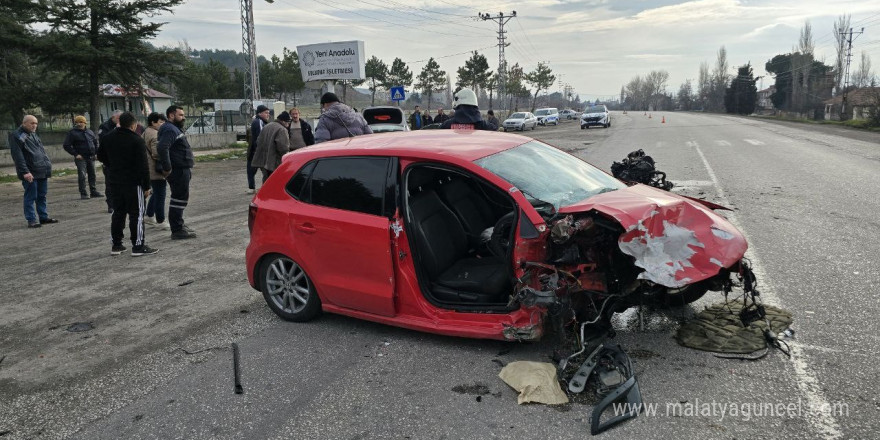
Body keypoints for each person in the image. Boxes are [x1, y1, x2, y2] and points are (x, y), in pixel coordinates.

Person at [96, 112, 157, 256]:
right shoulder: (136, 140)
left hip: (115, 181)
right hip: (133, 183)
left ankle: (117, 245)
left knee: (118, 212)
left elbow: (100, 156)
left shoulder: (107, 137)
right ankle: (138, 246)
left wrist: (112, 165)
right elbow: (143, 165)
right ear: (133, 125)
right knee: (137, 214)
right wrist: (147, 186)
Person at [7, 115, 58, 228]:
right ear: (24, 123)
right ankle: (32, 220)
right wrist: (25, 171)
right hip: (30, 172)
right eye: (32, 123)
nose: (34, 125)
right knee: (31, 196)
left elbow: (40, 151)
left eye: (36, 123)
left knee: (42, 195)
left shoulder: (33, 134)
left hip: (41, 170)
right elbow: (18, 155)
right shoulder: (17, 136)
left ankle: (43, 217)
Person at [157, 105, 197, 240]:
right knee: (178, 198)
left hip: (182, 168)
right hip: (178, 170)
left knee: (181, 197)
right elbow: (162, 147)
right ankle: (177, 229)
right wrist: (167, 167)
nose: (183, 117)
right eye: (180, 115)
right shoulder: (169, 129)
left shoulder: (173, 128)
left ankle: (179, 224)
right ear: (171, 115)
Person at [63, 115, 102, 199]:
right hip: (81, 158)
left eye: (81, 122)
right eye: (77, 122)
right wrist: (76, 154)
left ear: (85, 123)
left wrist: (96, 153)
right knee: (82, 175)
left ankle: (93, 191)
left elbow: (95, 143)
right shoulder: (72, 133)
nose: (79, 124)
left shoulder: (90, 132)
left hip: (91, 157)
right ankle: (83, 193)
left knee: (92, 175)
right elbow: (66, 145)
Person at [142, 112, 170, 229]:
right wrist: (167, 164)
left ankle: (149, 215)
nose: (163, 124)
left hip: (148, 168)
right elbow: (157, 154)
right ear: (153, 122)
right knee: (161, 195)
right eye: (160, 122)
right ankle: (161, 220)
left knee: (156, 192)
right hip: (156, 170)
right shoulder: (155, 135)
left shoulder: (145, 132)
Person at [252, 111, 292, 182]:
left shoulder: (267, 126)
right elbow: (283, 148)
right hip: (274, 162)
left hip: (263, 160)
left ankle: (264, 192)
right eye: (288, 123)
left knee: (266, 180)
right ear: (283, 121)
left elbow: (258, 141)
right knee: (275, 181)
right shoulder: (282, 129)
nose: (288, 125)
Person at [98, 110, 123, 213]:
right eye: (118, 118)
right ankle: (111, 205)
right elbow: (103, 140)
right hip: (109, 160)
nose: (120, 120)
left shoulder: (123, 125)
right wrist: (116, 130)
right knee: (110, 184)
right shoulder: (104, 126)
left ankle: (121, 202)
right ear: (113, 117)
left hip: (121, 159)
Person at [247, 105, 270, 194]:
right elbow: (261, 138)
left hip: (254, 150)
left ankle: (252, 187)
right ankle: (264, 187)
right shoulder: (259, 122)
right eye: (266, 113)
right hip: (257, 151)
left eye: (268, 113)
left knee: (251, 170)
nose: (268, 115)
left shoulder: (259, 121)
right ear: (260, 113)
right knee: (265, 170)